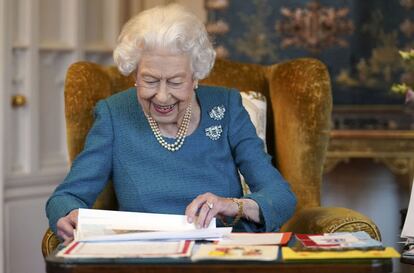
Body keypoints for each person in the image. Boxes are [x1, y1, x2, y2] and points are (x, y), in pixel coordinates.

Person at [46, 3, 297, 245]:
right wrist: (69, 215)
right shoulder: (115, 114)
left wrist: (231, 205)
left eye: (176, 82)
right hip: (145, 258)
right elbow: (66, 197)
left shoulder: (227, 106)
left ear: (195, 75)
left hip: (219, 255)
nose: (163, 96)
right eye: (150, 80)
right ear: (134, 74)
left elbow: (281, 197)